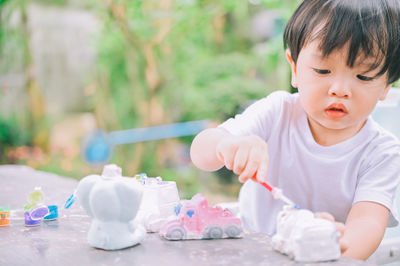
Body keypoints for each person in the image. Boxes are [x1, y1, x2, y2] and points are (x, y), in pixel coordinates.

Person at [190, 0, 400, 261]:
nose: (340, 89)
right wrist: (226, 145)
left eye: (364, 76)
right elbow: (201, 152)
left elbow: (368, 223)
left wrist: (332, 246)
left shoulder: (382, 152)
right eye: (323, 70)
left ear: (386, 86)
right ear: (295, 68)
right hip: (249, 255)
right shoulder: (277, 112)